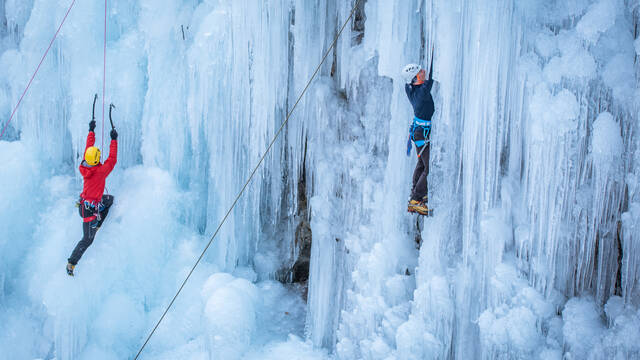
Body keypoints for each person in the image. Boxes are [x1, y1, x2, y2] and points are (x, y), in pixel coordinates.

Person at [66, 118, 118, 276]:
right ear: (96, 160)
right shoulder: (100, 172)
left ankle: (99, 221)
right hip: (89, 212)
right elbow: (112, 159)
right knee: (88, 239)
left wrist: (91, 130)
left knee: (108, 200)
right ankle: (71, 263)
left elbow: (88, 147)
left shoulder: (83, 165)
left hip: (87, 204)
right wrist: (114, 140)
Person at [402, 61, 435, 216]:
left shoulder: (410, 88)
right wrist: (435, 52)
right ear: (414, 78)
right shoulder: (421, 92)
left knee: (422, 163)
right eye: (420, 71)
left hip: (419, 132)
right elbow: (431, 78)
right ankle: (416, 199)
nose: (424, 71)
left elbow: (423, 81)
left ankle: (415, 195)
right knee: (428, 166)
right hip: (421, 132)